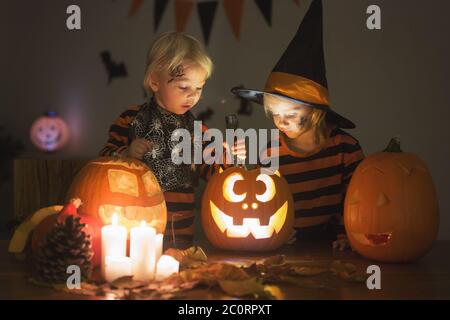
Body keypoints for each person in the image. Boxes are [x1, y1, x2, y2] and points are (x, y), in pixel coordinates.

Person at [232, 0, 364, 249]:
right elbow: (264, 197)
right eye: (273, 113)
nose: (280, 121)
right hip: (287, 243)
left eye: (291, 113)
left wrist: (349, 234)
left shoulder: (345, 149)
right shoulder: (271, 151)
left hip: (335, 244)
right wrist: (274, 228)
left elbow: (355, 200)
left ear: (315, 111)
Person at [100, 32, 245, 248]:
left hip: (180, 234)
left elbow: (216, 177)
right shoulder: (131, 120)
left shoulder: (198, 132)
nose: (193, 96)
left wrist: (230, 159)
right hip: (135, 230)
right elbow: (103, 160)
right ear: (155, 82)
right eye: (184, 87)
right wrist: (126, 153)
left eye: (199, 88)